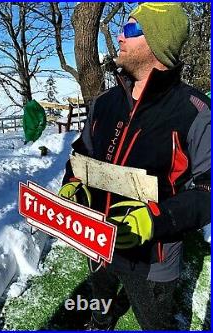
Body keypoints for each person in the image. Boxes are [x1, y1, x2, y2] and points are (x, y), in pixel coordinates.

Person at [59, 3, 211, 330]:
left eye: (129, 30)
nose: (118, 36)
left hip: (152, 259)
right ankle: (101, 320)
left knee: (154, 322)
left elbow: (207, 192)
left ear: (157, 44)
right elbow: (81, 153)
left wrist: (155, 220)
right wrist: (70, 183)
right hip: (96, 239)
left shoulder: (195, 112)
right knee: (100, 300)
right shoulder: (104, 102)